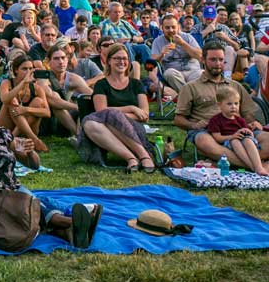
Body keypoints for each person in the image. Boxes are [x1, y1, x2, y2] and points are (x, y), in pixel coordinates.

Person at [0, 90, 103, 248]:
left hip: (13, 188)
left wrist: (29, 152)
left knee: (33, 205)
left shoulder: (1, 134)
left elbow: (34, 165)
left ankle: (69, 230)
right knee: (29, 209)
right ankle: (71, 223)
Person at [174, 41, 269, 166]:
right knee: (203, 141)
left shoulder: (236, 86)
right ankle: (257, 165)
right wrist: (194, 125)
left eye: (221, 60)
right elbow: (178, 119)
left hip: (237, 128)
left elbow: (247, 114)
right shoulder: (190, 87)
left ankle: (235, 161)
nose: (218, 64)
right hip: (208, 131)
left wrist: (252, 122)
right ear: (203, 60)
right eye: (213, 60)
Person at [78, 44, 155, 172]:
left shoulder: (136, 84)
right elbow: (101, 112)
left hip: (133, 127)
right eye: (117, 58)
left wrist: (118, 116)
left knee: (111, 115)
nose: (121, 62)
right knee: (89, 123)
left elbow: (144, 116)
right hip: (106, 126)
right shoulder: (101, 84)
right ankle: (131, 158)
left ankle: (144, 155)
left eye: (125, 58)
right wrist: (131, 108)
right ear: (109, 61)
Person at [207, 86, 268, 176]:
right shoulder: (215, 120)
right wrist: (232, 136)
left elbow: (247, 131)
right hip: (228, 142)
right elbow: (217, 137)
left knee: (247, 139)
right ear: (219, 105)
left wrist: (248, 131)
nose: (233, 107)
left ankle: (258, 166)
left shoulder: (240, 120)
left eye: (236, 104)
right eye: (229, 104)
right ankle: (253, 167)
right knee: (235, 141)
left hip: (244, 140)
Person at [0, 54, 51, 153]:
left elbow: (47, 113)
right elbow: (4, 99)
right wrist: (23, 83)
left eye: (30, 69)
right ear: (16, 70)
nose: (28, 72)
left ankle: (13, 138)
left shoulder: (36, 88)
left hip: (25, 129)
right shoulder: (6, 83)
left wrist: (26, 109)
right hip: (6, 126)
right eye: (24, 69)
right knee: (11, 100)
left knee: (38, 102)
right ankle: (34, 140)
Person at [151, 12, 203, 92]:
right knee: (169, 73)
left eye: (173, 27)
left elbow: (200, 56)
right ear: (162, 28)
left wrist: (183, 43)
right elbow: (152, 62)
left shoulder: (187, 37)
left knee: (202, 74)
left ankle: (187, 96)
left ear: (178, 27)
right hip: (175, 74)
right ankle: (191, 95)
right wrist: (161, 54)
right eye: (167, 28)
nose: (171, 30)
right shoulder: (157, 41)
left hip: (193, 71)